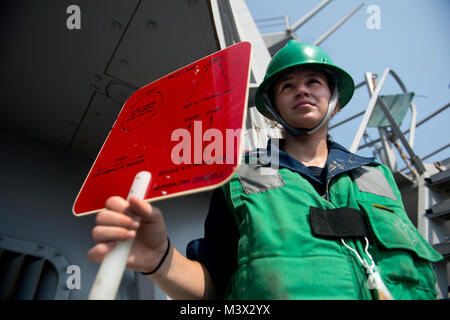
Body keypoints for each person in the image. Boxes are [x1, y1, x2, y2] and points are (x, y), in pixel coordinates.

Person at [87, 40, 443, 300]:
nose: (301, 90)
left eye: (313, 82)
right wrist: (159, 259)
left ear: (334, 101)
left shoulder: (377, 176)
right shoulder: (239, 180)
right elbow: (214, 291)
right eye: (287, 86)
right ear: (272, 108)